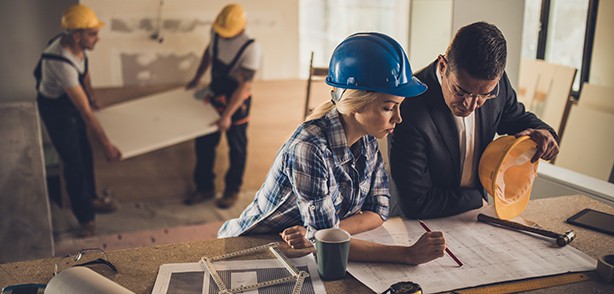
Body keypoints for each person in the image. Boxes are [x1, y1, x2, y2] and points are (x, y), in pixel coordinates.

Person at [218, 32, 446, 265]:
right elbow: (328, 245)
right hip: (246, 246)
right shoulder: (309, 147)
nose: (398, 118)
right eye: (389, 108)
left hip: (291, 246)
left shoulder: (367, 139)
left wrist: (318, 231)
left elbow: (379, 211)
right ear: (357, 103)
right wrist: (406, 254)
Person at [388, 21, 560, 219]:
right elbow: (415, 202)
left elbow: (517, 118)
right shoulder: (408, 105)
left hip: (474, 217)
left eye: (484, 95)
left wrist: (544, 133)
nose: (471, 104)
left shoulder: (497, 85)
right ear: (443, 66)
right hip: (418, 224)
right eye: (461, 91)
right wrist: (477, 198)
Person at [35, 4, 122, 237]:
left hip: (70, 100)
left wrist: (91, 96)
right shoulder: (60, 61)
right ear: (76, 36)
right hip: (56, 110)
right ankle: (85, 220)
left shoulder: (77, 46)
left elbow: (83, 70)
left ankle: (91, 199)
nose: (98, 38)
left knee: (84, 152)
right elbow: (85, 113)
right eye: (93, 34)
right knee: (73, 163)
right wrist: (107, 145)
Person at [185, 4, 261, 209]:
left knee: (236, 147)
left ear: (241, 28)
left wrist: (227, 115)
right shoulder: (216, 33)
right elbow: (208, 54)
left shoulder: (251, 48)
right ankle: (204, 188)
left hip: (238, 101)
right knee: (204, 144)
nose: (224, 36)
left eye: (228, 33)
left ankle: (231, 191)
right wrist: (196, 79)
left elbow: (245, 85)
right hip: (214, 94)